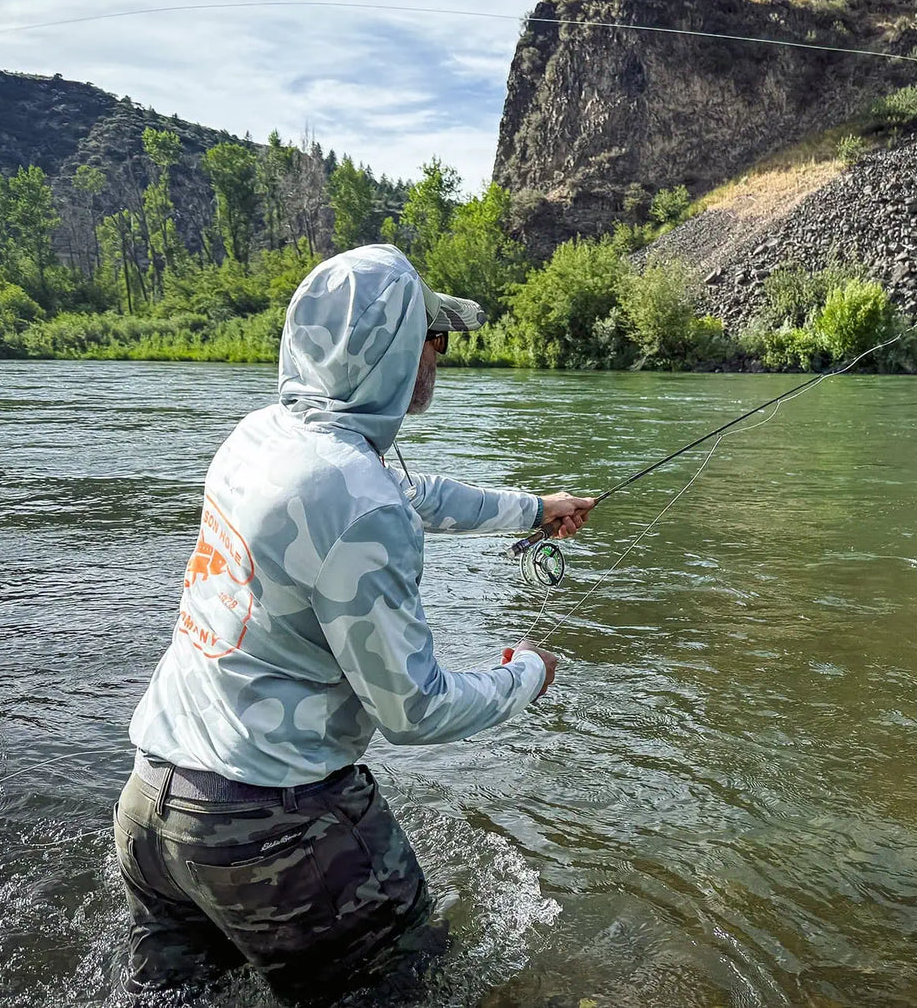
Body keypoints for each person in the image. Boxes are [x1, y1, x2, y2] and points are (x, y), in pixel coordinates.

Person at [114, 244, 594, 1000]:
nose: (440, 356)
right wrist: (526, 674)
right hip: (273, 833)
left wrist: (536, 509)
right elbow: (415, 710)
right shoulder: (359, 498)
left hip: (151, 809)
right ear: (400, 352)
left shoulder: (264, 436)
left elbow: (412, 494)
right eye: (434, 338)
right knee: (409, 982)